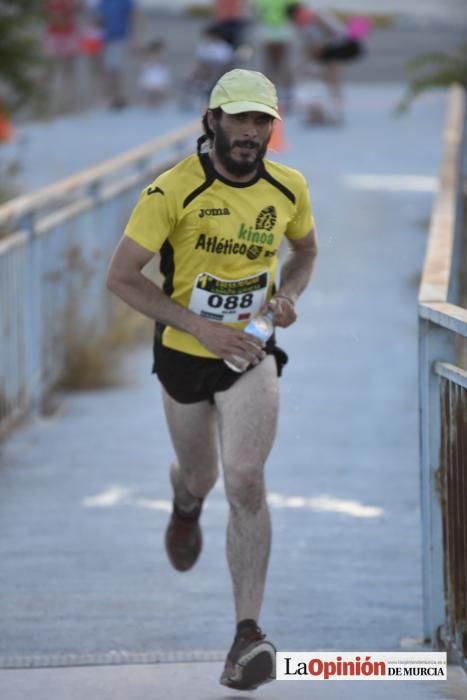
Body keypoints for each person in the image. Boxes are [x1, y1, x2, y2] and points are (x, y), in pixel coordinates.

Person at [106, 68, 318, 691]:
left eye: (261, 121)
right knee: (202, 472)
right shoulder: (171, 191)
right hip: (183, 351)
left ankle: (247, 636)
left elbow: (304, 254)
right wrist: (197, 327)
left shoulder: (289, 186)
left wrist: (289, 296)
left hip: (252, 349)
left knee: (247, 477)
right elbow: (121, 276)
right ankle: (185, 499)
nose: (250, 132)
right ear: (213, 120)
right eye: (239, 119)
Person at [96, 0, 136, 109]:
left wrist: (135, 38)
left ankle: (120, 97)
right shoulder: (103, 2)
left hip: (119, 38)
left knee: (117, 68)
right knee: (108, 69)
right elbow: (99, 18)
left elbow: (134, 16)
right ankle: (112, 97)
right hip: (104, 39)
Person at [138, 39, 171, 107]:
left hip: (158, 77)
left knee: (158, 81)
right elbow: (143, 68)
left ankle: (157, 100)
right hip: (150, 78)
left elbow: (163, 69)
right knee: (151, 82)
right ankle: (151, 100)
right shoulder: (147, 59)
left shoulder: (162, 59)